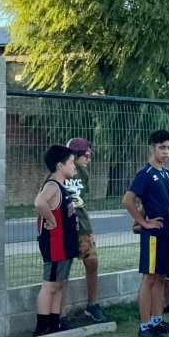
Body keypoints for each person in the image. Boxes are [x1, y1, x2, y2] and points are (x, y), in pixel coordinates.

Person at [122, 130, 169, 337]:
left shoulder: (165, 173)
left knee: (161, 277)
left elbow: (167, 202)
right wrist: (144, 223)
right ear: (152, 148)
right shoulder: (145, 174)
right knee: (149, 278)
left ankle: (157, 321)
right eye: (162, 148)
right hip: (152, 237)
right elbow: (127, 201)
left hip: (166, 234)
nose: (166, 152)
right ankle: (144, 325)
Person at [34, 144, 81, 336]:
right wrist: (51, 220)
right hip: (55, 244)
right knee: (50, 285)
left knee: (59, 284)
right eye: (71, 162)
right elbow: (39, 202)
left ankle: (54, 323)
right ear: (60, 166)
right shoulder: (52, 185)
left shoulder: (62, 187)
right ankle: (42, 327)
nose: (74, 166)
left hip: (65, 245)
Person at [64, 137, 105, 323]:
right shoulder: (59, 173)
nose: (89, 159)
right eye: (86, 155)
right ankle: (60, 314)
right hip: (65, 229)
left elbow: (81, 201)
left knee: (92, 262)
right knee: (63, 270)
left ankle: (92, 305)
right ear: (75, 155)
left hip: (83, 227)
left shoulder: (83, 174)